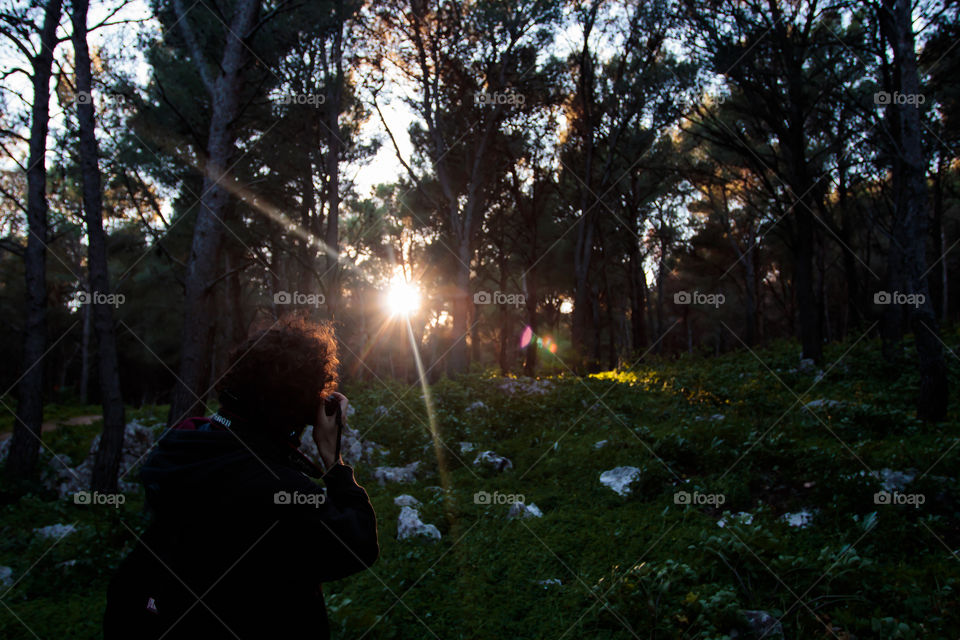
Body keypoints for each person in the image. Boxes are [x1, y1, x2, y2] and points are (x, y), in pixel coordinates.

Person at [104, 318, 379, 639]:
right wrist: (334, 461)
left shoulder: (184, 449)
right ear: (303, 405)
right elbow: (359, 544)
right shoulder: (279, 491)